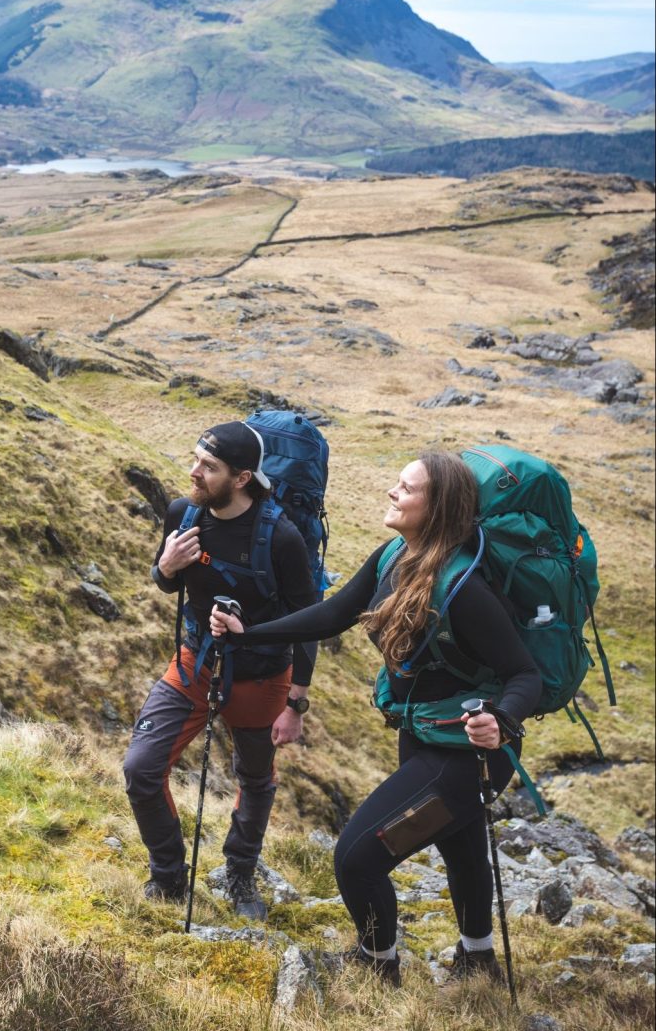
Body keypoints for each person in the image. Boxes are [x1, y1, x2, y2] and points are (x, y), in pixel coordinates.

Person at [210, 450, 541, 983]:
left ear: (438, 508)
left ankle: (376, 965)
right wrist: (253, 632)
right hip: (423, 734)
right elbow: (334, 613)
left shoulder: (464, 590)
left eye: (406, 488)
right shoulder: (394, 556)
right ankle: (478, 962)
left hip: (470, 755)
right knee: (460, 844)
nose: (392, 492)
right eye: (397, 480)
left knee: (358, 859)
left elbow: (525, 674)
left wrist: (502, 719)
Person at [124, 420, 318, 920]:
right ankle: (167, 876)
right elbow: (169, 585)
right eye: (195, 459)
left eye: (208, 467)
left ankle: (239, 871)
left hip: (260, 677)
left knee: (255, 779)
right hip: (194, 664)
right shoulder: (181, 514)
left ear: (242, 478)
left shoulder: (283, 539)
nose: (194, 473)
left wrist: (296, 702)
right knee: (141, 770)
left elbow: (307, 622)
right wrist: (164, 568)